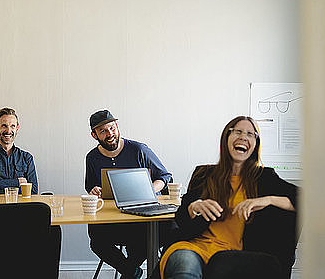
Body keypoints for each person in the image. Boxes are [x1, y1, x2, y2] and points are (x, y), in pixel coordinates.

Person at [159, 116, 298, 279]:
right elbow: (181, 219)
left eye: (250, 134)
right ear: (226, 137)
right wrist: (193, 207)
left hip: (236, 256)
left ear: (255, 144)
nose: (243, 137)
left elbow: (306, 200)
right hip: (195, 247)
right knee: (184, 267)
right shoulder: (204, 174)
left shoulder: (265, 177)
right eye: (238, 131)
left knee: (221, 264)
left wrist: (268, 199)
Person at [85, 109, 173, 279]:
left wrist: (150, 189)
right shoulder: (92, 158)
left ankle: (129, 272)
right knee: (97, 240)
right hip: (112, 218)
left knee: (152, 235)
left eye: (112, 128)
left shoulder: (139, 149)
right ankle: (131, 271)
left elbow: (165, 176)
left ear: (117, 127)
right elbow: (91, 186)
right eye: (102, 131)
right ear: (94, 135)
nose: (109, 133)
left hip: (142, 218)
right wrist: (95, 190)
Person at [0, 107, 38, 195]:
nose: (8, 131)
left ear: (17, 128)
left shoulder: (27, 158)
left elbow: (33, 191)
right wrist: (18, 182)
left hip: (21, 207)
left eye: (12, 126)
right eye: (4, 126)